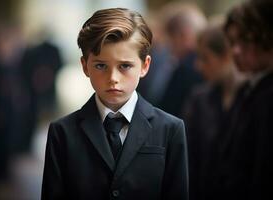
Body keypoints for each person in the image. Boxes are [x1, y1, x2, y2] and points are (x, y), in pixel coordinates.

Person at [41, 8, 188, 200]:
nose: (113, 78)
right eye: (101, 65)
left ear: (145, 66)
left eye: (125, 66)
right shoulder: (62, 132)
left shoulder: (170, 129)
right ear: (85, 66)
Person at [213, 0, 273, 199]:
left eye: (245, 40)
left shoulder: (266, 96)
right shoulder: (248, 89)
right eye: (232, 42)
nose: (236, 51)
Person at [182, 23, 245, 200]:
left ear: (227, 54)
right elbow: (189, 159)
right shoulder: (199, 99)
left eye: (205, 58)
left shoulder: (253, 99)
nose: (198, 66)